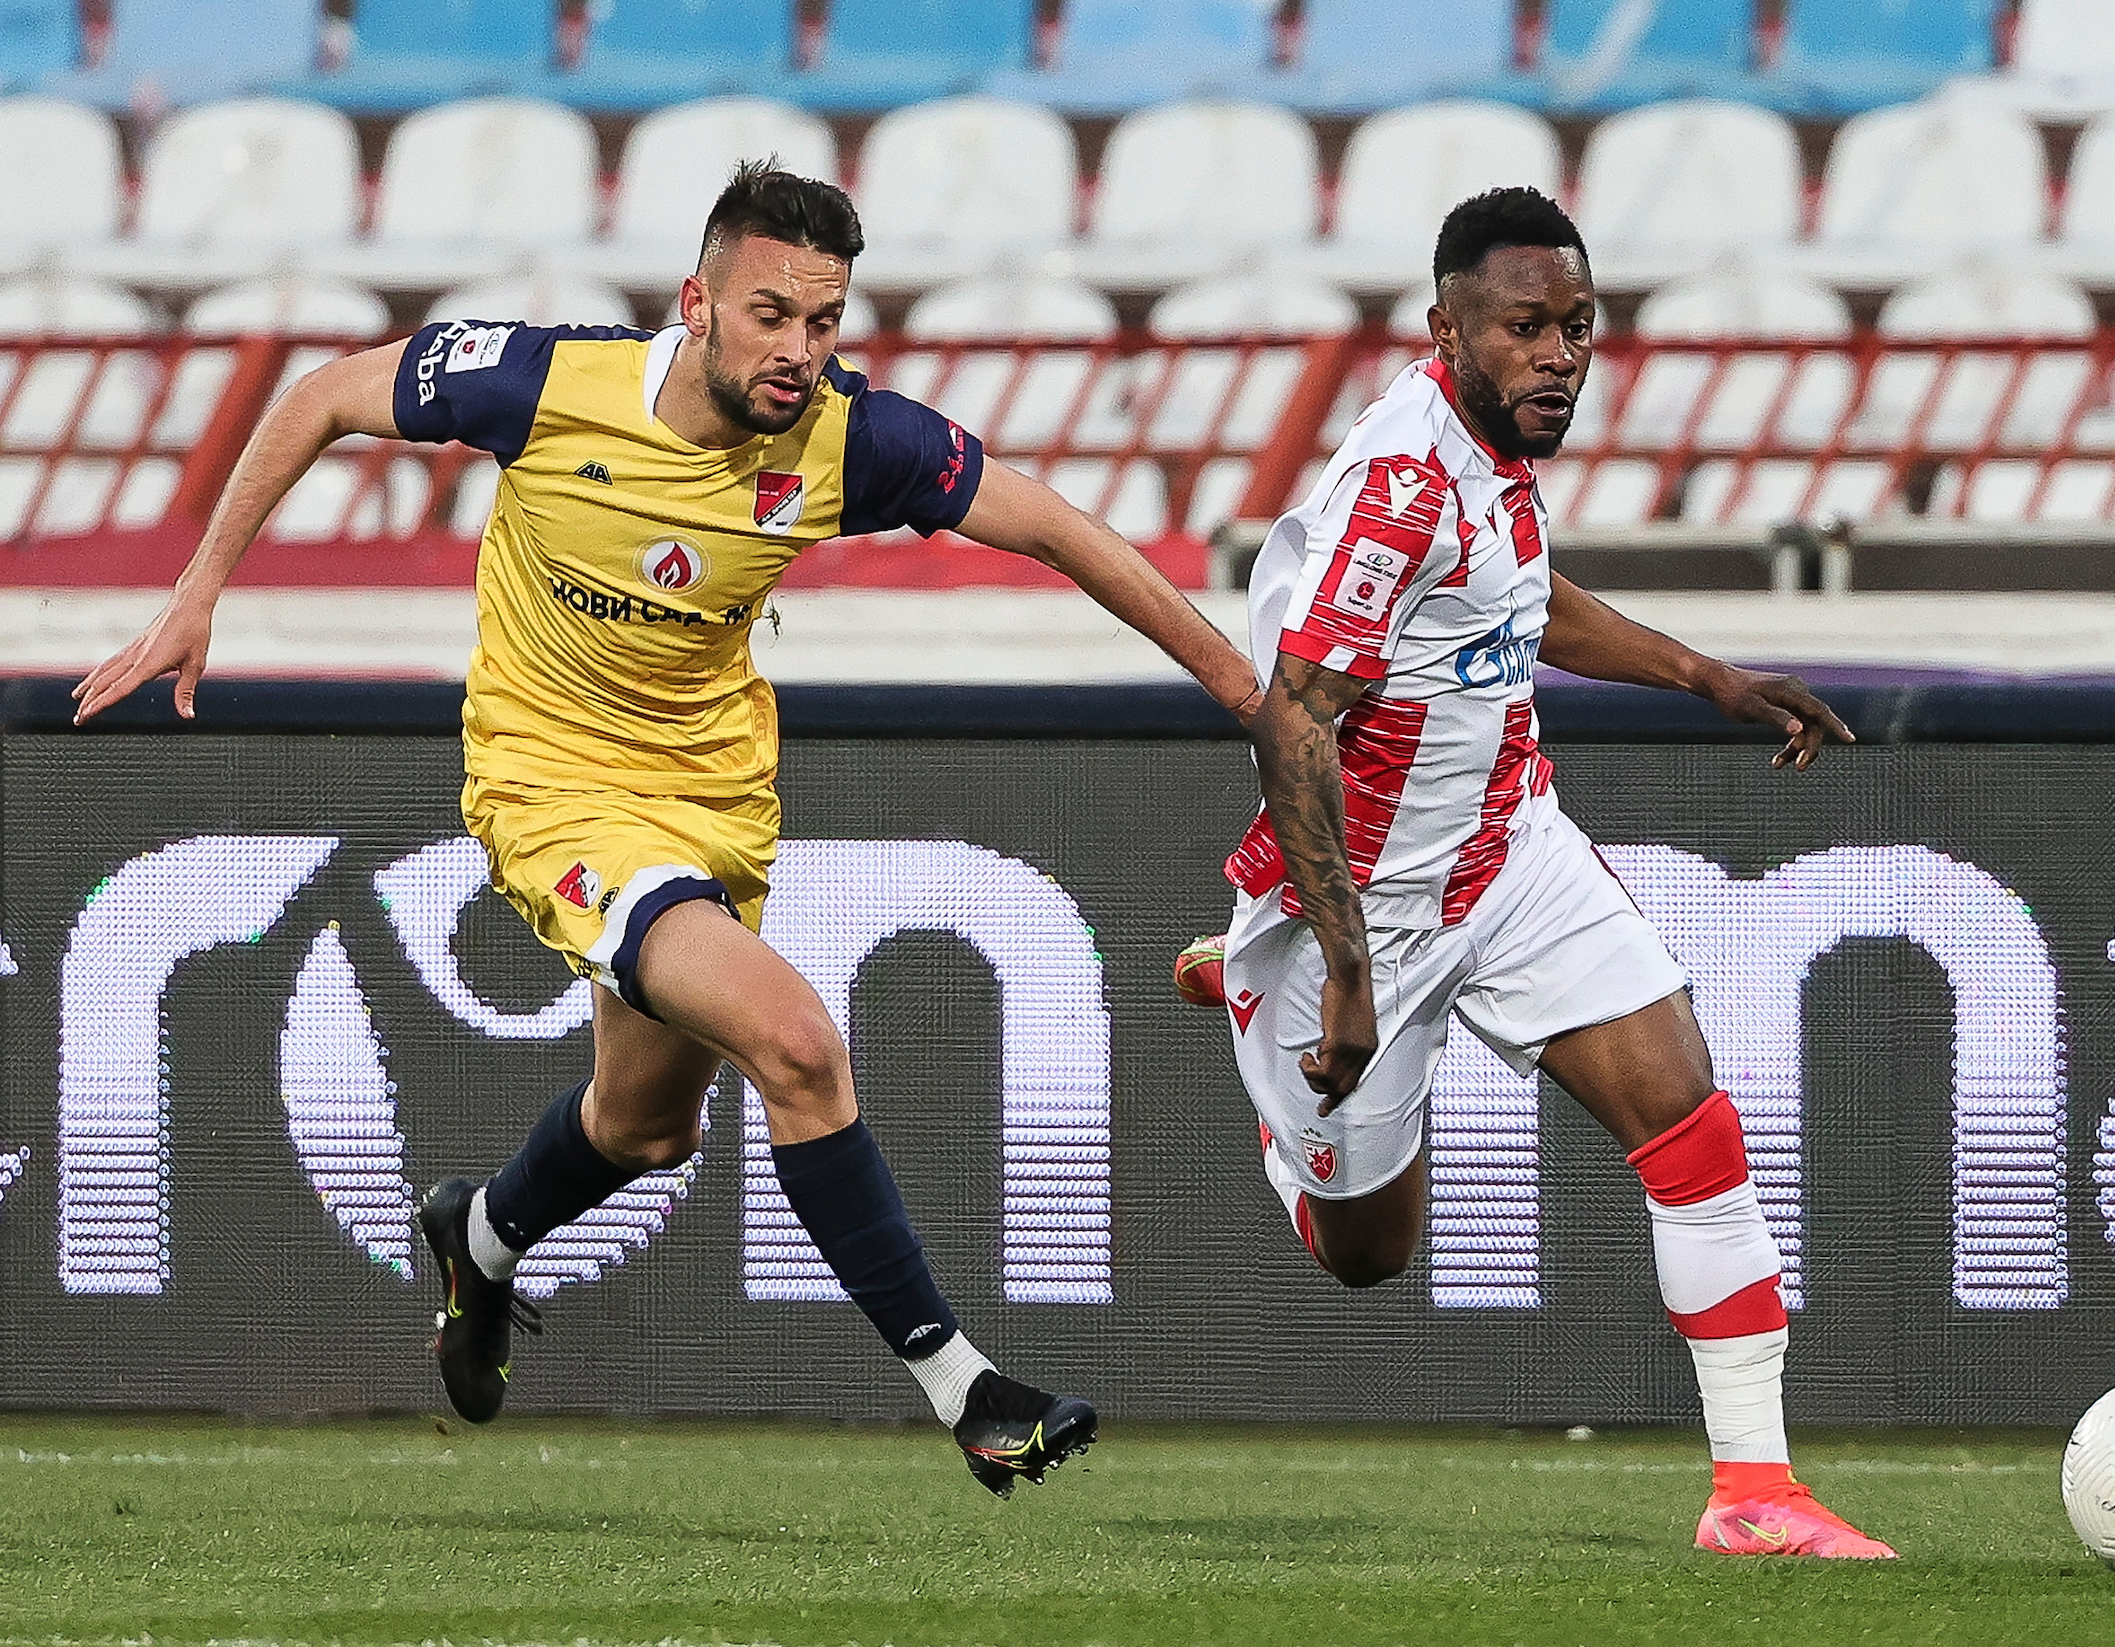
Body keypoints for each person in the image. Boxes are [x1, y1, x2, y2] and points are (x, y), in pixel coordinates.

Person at [73, 162, 1262, 1497]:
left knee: (646, 1132)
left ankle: (485, 1235)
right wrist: (198, 592)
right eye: (771, 316)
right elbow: (324, 397)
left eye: (825, 324)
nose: (800, 353)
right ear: (697, 302)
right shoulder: (540, 381)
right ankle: (967, 1387)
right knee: (800, 1045)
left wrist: (1242, 691)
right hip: (551, 789)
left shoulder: (850, 445)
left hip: (712, 809)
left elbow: (1054, 526)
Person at [1173, 187, 1895, 1558]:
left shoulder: (1489, 458)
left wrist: (1708, 678)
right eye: (1525, 327)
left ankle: (1757, 1496)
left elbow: (1523, 593)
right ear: (1446, 328)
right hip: (1364, 909)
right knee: (1366, 1255)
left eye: (1577, 326)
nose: (1559, 354)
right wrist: (1342, 970)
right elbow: (1296, 721)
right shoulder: (1398, 492)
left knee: (1690, 1120)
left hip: (1509, 853)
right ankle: (1261, 1010)